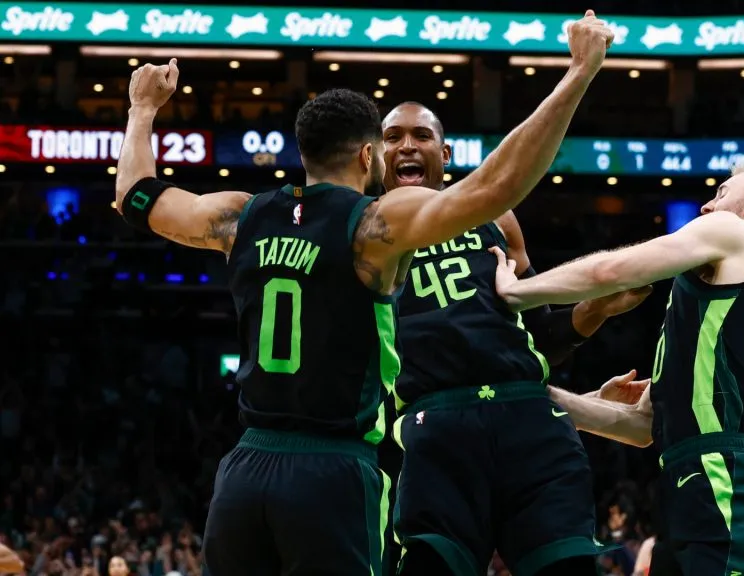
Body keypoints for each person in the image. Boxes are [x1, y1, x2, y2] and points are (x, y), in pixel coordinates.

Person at [112, 11, 613, 575]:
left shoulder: (239, 216)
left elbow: (135, 195)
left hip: (245, 470)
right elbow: (498, 185)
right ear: (368, 155)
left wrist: (142, 109)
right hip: (333, 470)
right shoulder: (372, 227)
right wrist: (578, 73)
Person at [491, 164, 744, 574]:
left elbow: (609, 272)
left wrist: (517, 292)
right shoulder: (721, 309)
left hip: (723, 474)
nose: (707, 205)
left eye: (722, 192)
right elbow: (643, 428)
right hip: (686, 478)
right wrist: (545, 397)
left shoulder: (737, 232)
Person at [381, 100, 650, 576]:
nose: (407, 146)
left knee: (566, 565)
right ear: (373, 156)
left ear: (445, 154)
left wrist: (596, 308)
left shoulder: (497, 218)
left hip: (527, 414)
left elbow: (539, 336)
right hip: (433, 420)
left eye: (421, 136)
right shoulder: (366, 230)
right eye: (393, 136)